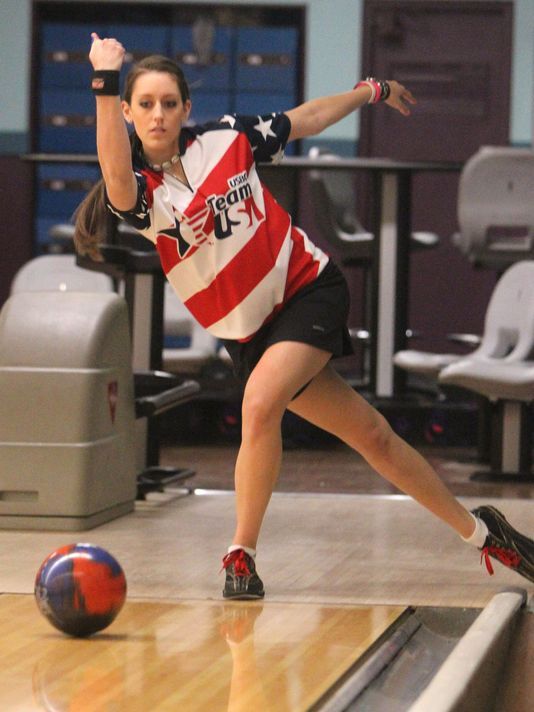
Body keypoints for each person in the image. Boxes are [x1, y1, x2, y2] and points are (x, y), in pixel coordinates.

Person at [75, 34, 533, 599]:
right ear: (127, 111)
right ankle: (484, 534)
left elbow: (307, 118)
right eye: (144, 104)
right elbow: (114, 173)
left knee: (260, 403)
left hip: (307, 290)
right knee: (374, 437)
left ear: (186, 109)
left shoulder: (226, 139)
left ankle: (240, 554)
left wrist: (370, 90)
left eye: (169, 102)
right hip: (249, 332)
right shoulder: (141, 193)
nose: (159, 114)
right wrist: (103, 80)